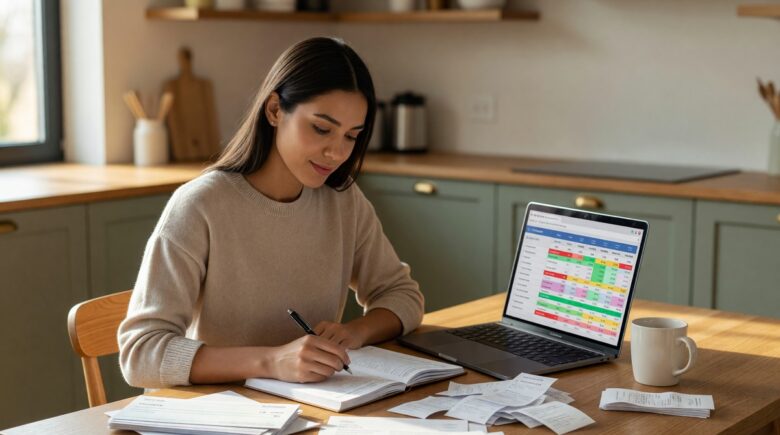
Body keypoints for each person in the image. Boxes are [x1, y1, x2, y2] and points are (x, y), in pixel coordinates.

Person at [118, 37, 424, 388]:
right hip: (220, 414)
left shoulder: (343, 201)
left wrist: (353, 333)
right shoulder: (200, 205)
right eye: (322, 129)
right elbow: (140, 354)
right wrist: (271, 361)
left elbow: (404, 295)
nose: (337, 152)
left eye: (352, 136)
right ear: (275, 110)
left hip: (310, 410)